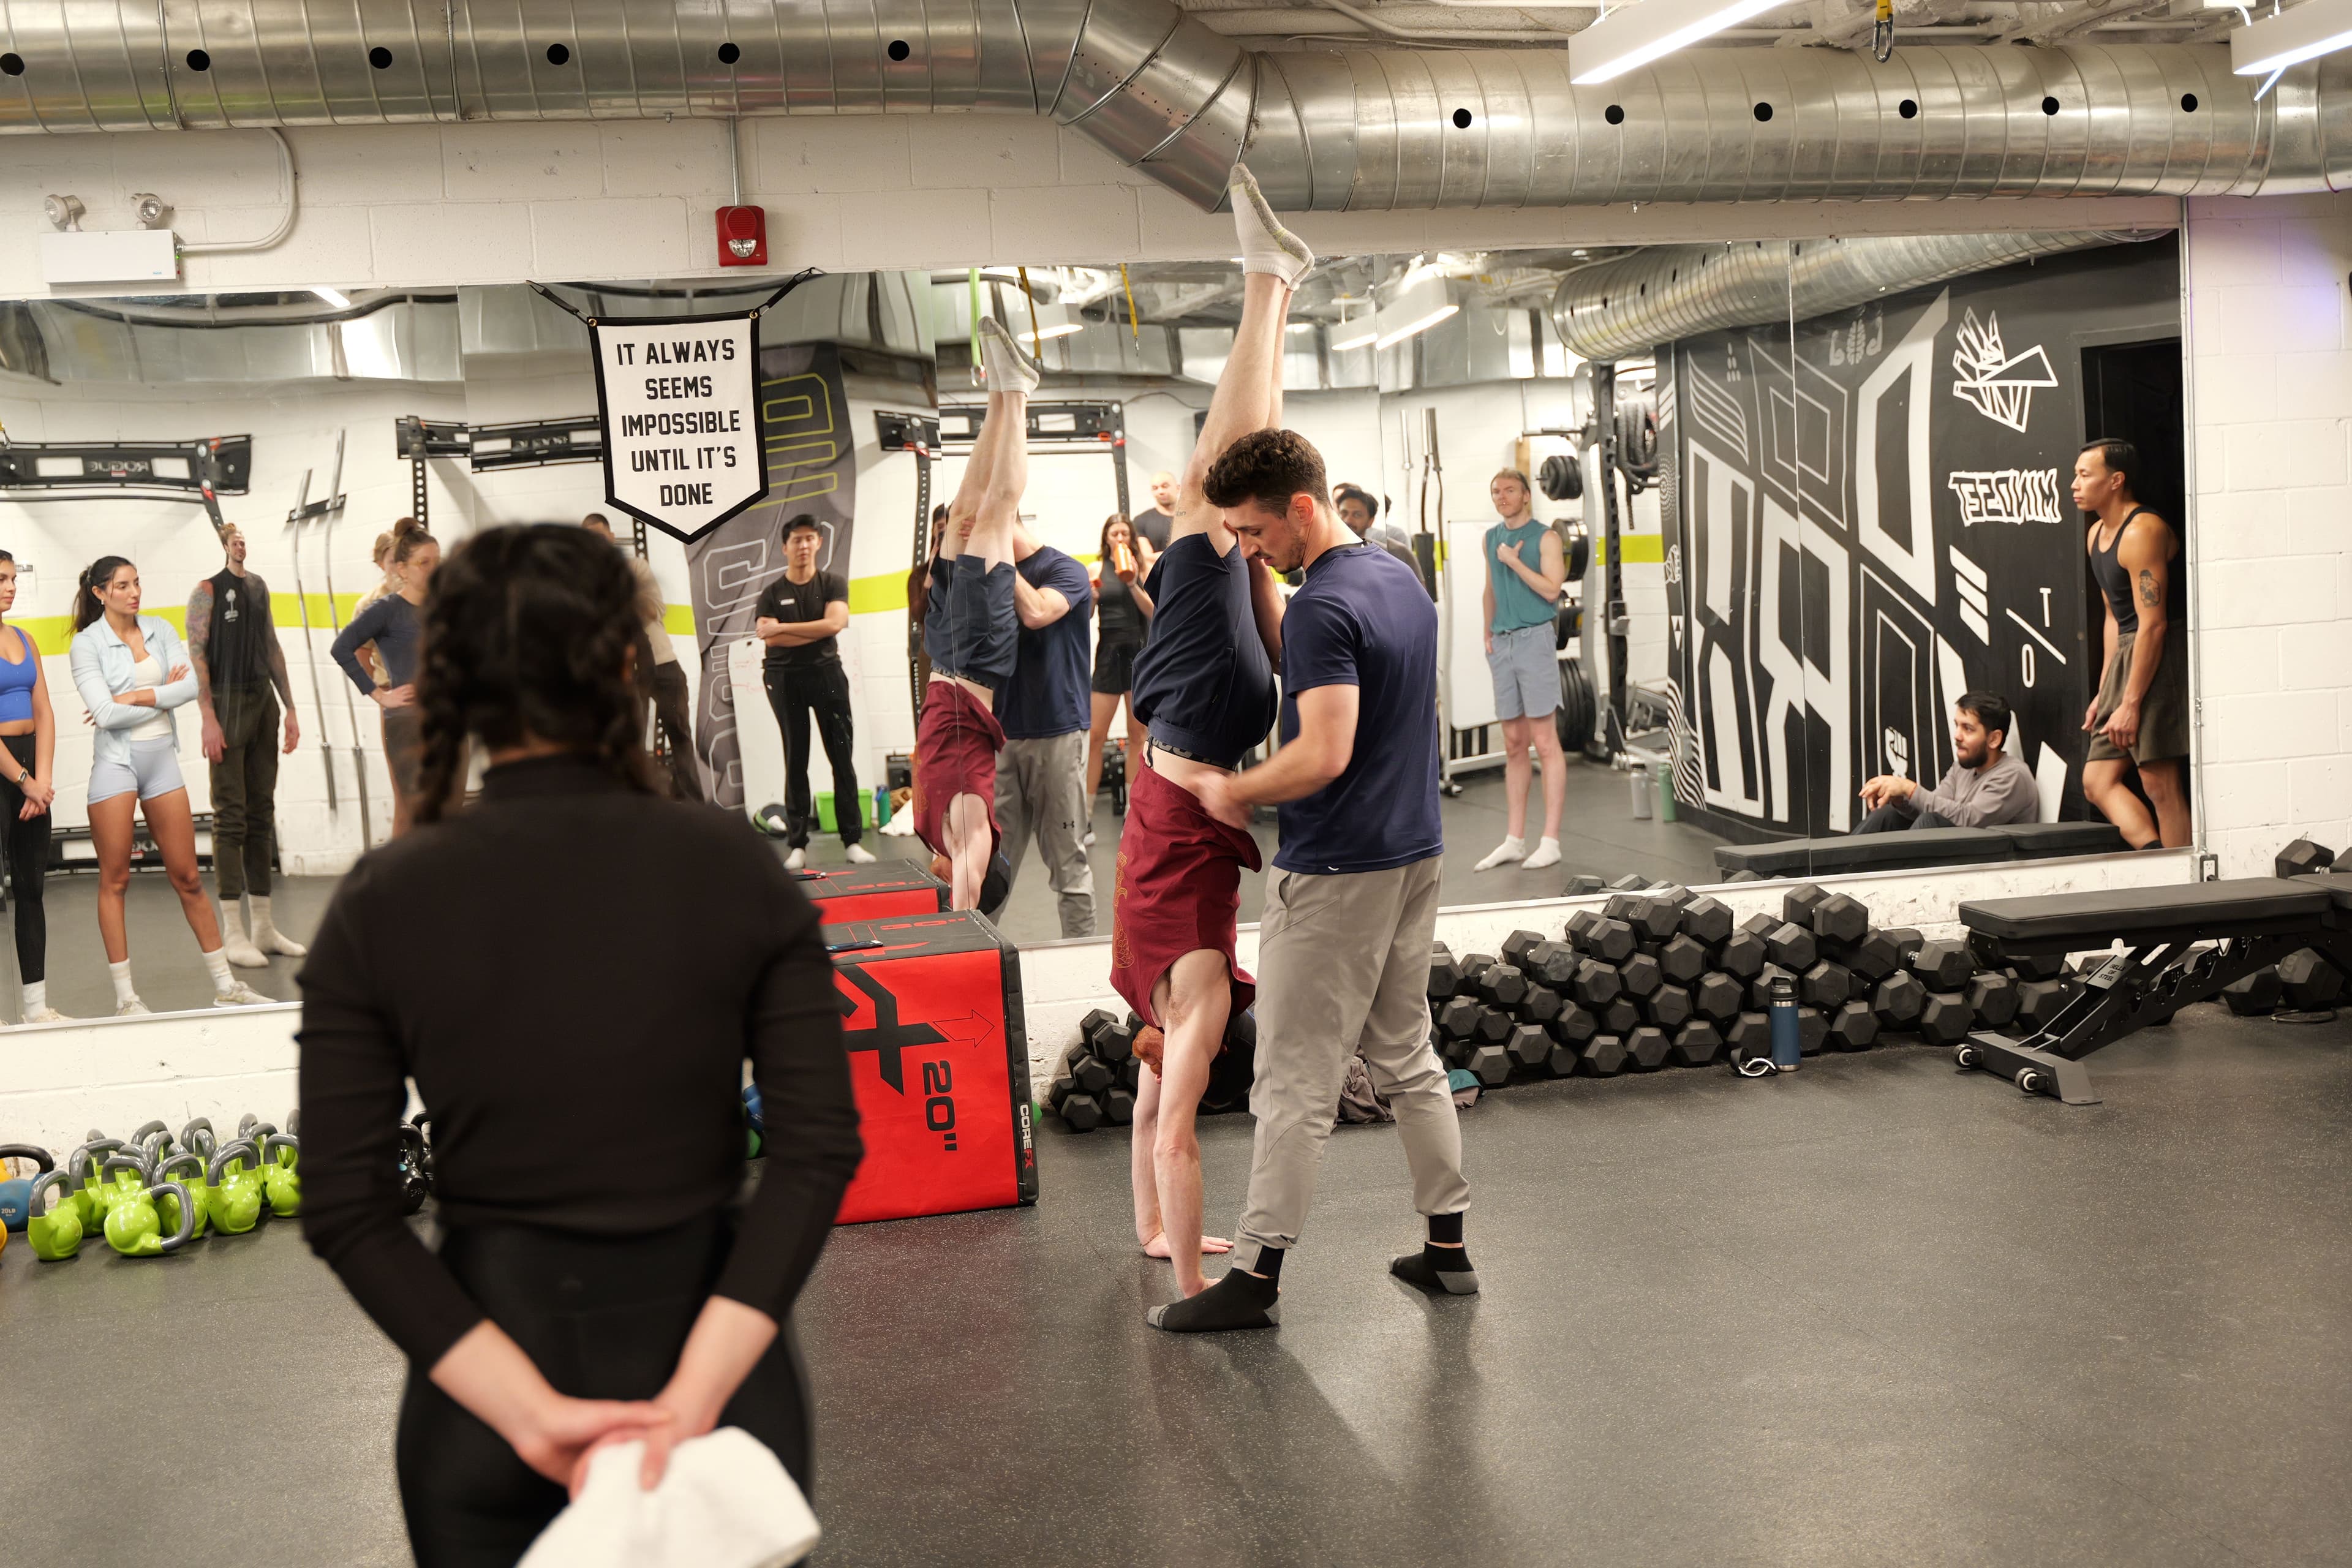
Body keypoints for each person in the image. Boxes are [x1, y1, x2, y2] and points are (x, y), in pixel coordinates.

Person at [298, 524, 864, 1568]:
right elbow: (817, 1148)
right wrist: (692, 1399)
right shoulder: (732, 867)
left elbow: (346, 1204)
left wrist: (528, 1418)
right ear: (623, 665)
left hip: (485, 1411)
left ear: (456, 679)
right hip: (721, 1400)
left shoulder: (383, 900)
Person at [1155, 425, 1472, 1335]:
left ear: (1301, 508)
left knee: (1292, 1081)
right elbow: (1327, 660)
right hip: (1416, 854)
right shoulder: (1394, 577)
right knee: (1409, 1056)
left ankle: (1254, 1278)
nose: (1248, 549)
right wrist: (1258, 577)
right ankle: (1447, 1249)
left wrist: (1236, 790)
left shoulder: (1330, 607)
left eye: (1254, 535)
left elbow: (1325, 748)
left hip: (1337, 873)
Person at [1113, 164, 1298, 1307]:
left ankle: (1274, 283)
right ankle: (1270, 284)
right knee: (1212, 498)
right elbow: (1171, 1131)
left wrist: (1164, 1252)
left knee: (1218, 502)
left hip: (1202, 719)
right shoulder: (1165, 983)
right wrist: (1185, 1268)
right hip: (1192, 728)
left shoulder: (1168, 993)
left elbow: (1159, 1134)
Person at [67, 556, 274, 1014]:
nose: (134, 592)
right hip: (116, 765)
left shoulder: (159, 629)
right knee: (115, 880)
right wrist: (162, 699)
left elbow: (192, 686)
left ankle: (226, 986)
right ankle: (126, 999)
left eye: (137, 583)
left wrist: (138, 696)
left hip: (161, 760)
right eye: (122, 585)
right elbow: (105, 715)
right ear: (101, 593)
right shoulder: (87, 645)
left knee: (187, 878)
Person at [914, 317, 1035, 911]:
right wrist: (964, 922)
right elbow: (967, 885)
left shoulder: (929, 828)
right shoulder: (970, 832)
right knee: (995, 515)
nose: (936, 876)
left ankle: (999, 392)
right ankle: (1017, 394)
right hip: (977, 651)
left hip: (946, 650)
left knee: (963, 509)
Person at [186, 522, 307, 969]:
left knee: (262, 811)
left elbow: (272, 645)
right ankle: (233, 933)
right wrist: (208, 717)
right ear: (224, 545)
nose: (241, 543)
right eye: (234, 539)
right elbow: (197, 654)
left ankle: (264, 927)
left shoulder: (258, 587)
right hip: (227, 702)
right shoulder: (206, 592)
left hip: (263, 702)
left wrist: (290, 708)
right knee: (230, 815)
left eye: (244, 538)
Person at [2074, 439, 2190, 848]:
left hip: (2159, 651)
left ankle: (2186, 888)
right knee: (2097, 780)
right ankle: (2157, 858)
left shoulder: (2143, 530)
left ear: (2116, 481)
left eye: (2085, 475)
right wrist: (2108, 690)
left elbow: (2153, 625)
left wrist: (2131, 702)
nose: (2075, 484)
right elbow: (2113, 618)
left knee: (2158, 782)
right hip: (2127, 650)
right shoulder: (2095, 535)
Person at [992, 521, 1095, 937]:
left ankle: (1082, 969)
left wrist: (998, 560)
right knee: (990, 866)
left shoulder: (1064, 570)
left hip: (1057, 733)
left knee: (1069, 864)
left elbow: (1036, 612)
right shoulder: (986, 576)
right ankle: (976, 965)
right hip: (1001, 737)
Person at [753, 514, 872, 869]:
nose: (803, 546)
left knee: (842, 758)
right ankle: (798, 845)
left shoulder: (833, 583)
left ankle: (852, 841)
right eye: (796, 540)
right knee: (796, 759)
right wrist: (815, 629)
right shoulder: (771, 594)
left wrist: (787, 629)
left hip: (827, 676)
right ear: (785, 547)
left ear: (819, 543)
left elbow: (836, 623)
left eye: (809, 539)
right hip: (785, 678)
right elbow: (769, 638)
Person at [1472, 469, 1569, 874]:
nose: (1501, 496)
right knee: (1513, 742)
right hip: (1504, 643)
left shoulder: (1547, 537)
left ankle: (1551, 840)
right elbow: (1490, 588)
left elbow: (1551, 590)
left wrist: (1514, 561)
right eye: (1496, 491)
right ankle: (1514, 840)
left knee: (1545, 742)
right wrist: (1487, 633)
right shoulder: (1490, 538)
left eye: (1509, 490)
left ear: (1526, 496)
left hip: (1534, 640)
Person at [582, 513, 701, 805]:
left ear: (611, 537)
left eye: (600, 536)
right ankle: (641, 809)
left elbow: (654, 610)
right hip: (624, 673)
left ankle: (695, 808)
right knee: (630, 743)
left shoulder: (636, 568)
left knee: (681, 736)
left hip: (663, 666)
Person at [331, 518, 439, 839]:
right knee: (408, 805)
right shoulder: (377, 605)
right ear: (385, 564)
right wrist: (380, 691)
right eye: (422, 563)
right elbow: (350, 650)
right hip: (401, 706)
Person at [0, 549, 67, 1024]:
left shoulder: (25, 639)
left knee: (31, 888)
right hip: (7, 770)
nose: (10, 586)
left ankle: (36, 1008)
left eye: (11, 578)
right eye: (1, 579)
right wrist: (24, 781)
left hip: (29, 772)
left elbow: (44, 712)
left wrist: (41, 783)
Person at [1857, 692, 2038, 831]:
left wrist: (1909, 789)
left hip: (1990, 872)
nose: (1957, 736)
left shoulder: (2013, 775)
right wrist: (1901, 800)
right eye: (1957, 725)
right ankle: (1839, 872)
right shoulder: (1963, 767)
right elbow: (1934, 805)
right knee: (1888, 814)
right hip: (1958, 860)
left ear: (1994, 739)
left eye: (1968, 729)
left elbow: (1968, 820)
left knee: (1930, 824)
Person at [1085, 513, 1155, 827]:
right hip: (1107, 656)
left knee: (1137, 735)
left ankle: (1133, 811)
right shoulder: (1096, 569)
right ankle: (1084, 815)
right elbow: (1086, 615)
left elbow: (1153, 612)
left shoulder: (1142, 569)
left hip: (1136, 655)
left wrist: (1132, 584)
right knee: (1096, 736)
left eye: (1124, 533)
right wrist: (1092, 599)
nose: (1120, 538)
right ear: (1106, 538)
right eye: (1114, 533)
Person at [1335, 483, 1414, 572]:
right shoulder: (1324, 551)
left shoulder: (1392, 552)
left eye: (1357, 515)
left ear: (1371, 521)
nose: (1348, 520)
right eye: (1344, 513)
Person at [1129, 470, 1179, 552]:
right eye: (1155, 488)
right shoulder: (1141, 521)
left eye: (1165, 486)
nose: (1161, 492)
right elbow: (1148, 557)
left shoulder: (1191, 518)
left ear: (1178, 488)